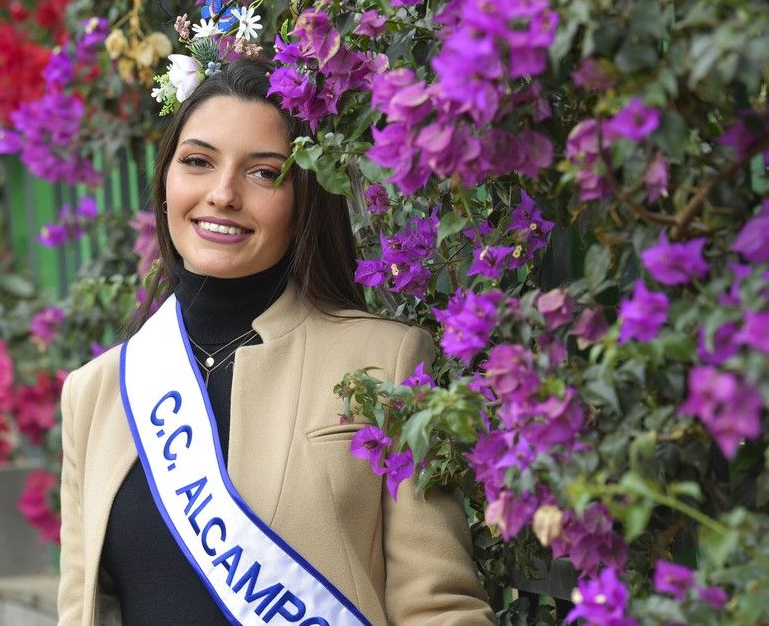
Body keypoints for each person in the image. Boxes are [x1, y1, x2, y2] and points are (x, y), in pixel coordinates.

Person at [57, 58, 495, 625]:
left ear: (305, 200)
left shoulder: (385, 361)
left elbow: (439, 607)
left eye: (264, 173)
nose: (222, 194)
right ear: (166, 179)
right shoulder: (96, 392)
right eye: (197, 162)